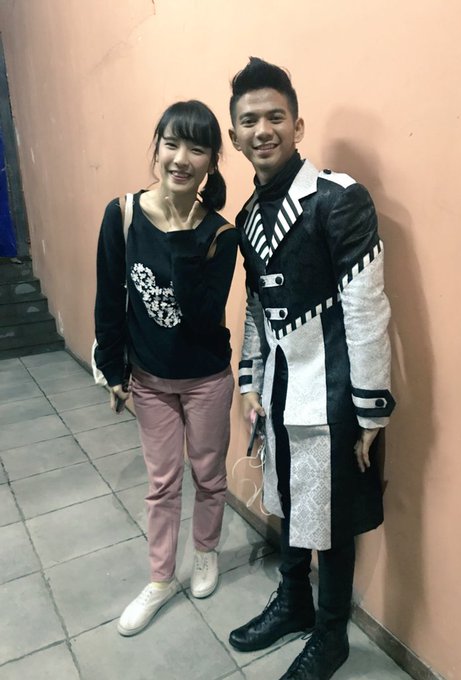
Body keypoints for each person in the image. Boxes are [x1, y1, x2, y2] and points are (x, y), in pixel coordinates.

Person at [227, 58, 395, 680]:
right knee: (289, 498)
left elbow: (367, 306)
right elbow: (256, 306)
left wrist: (371, 408)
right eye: (249, 121)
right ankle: (294, 599)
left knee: (333, 515)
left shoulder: (339, 197)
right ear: (234, 135)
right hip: (279, 391)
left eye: (275, 117)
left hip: (335, 393)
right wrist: (250, 379)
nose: (263, 129)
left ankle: (331, 635)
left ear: (297, 126)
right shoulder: (247, 216)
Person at [94, 100, 238, 636]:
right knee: (161, 483)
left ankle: (205, 552)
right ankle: (160, 579)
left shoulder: (220, 234)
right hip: (150, 380)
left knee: (209, 476)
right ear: (156, 147)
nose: (181, 158)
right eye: (171, 144)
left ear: (211, 161)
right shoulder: (122, 214)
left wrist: (181, 234)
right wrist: (112, 369)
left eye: (196, 149)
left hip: (207, 378)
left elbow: (202, 318)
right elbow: (110, 299)